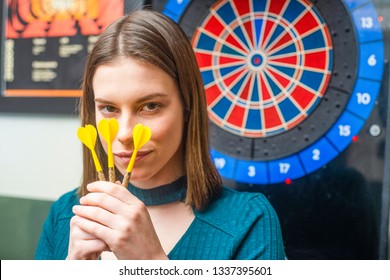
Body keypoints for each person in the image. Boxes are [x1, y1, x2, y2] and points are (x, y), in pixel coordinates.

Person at [35, 9, 285, 260]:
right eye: (109, 108)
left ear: (187, 106)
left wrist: (151, 261)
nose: (124, 134)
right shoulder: (65, 215)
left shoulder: (248, 221)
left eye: (150, 106)